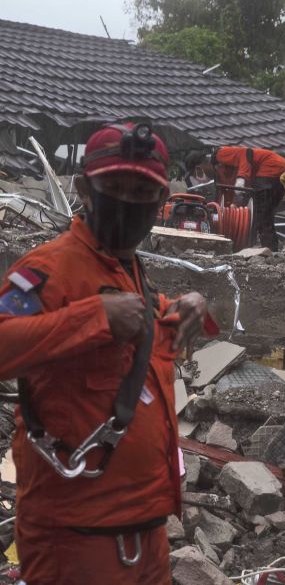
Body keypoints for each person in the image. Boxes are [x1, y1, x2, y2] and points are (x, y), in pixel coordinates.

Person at [0, 123, 211, 584]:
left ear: (160, 203)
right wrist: (92, 318)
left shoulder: (130, 272)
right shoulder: (44, 272)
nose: (128, 201)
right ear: (84, 190)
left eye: (142, 192)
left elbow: (145, 337)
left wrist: (188, 308)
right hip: (74, 540)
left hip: (145, 531)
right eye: (114, 187)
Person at [188, 146, 285, 250]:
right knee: (265, 216)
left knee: (260, 216)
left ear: (201, 165)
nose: (199, 177)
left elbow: (246, 153)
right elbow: (228, 195)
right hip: (281, 173)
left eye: (197, 172)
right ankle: (272, 250)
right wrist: (233, 205)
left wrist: (241, 177)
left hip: (272, 167)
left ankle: (269, 251)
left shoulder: (220, 154)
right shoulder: (221, 175)